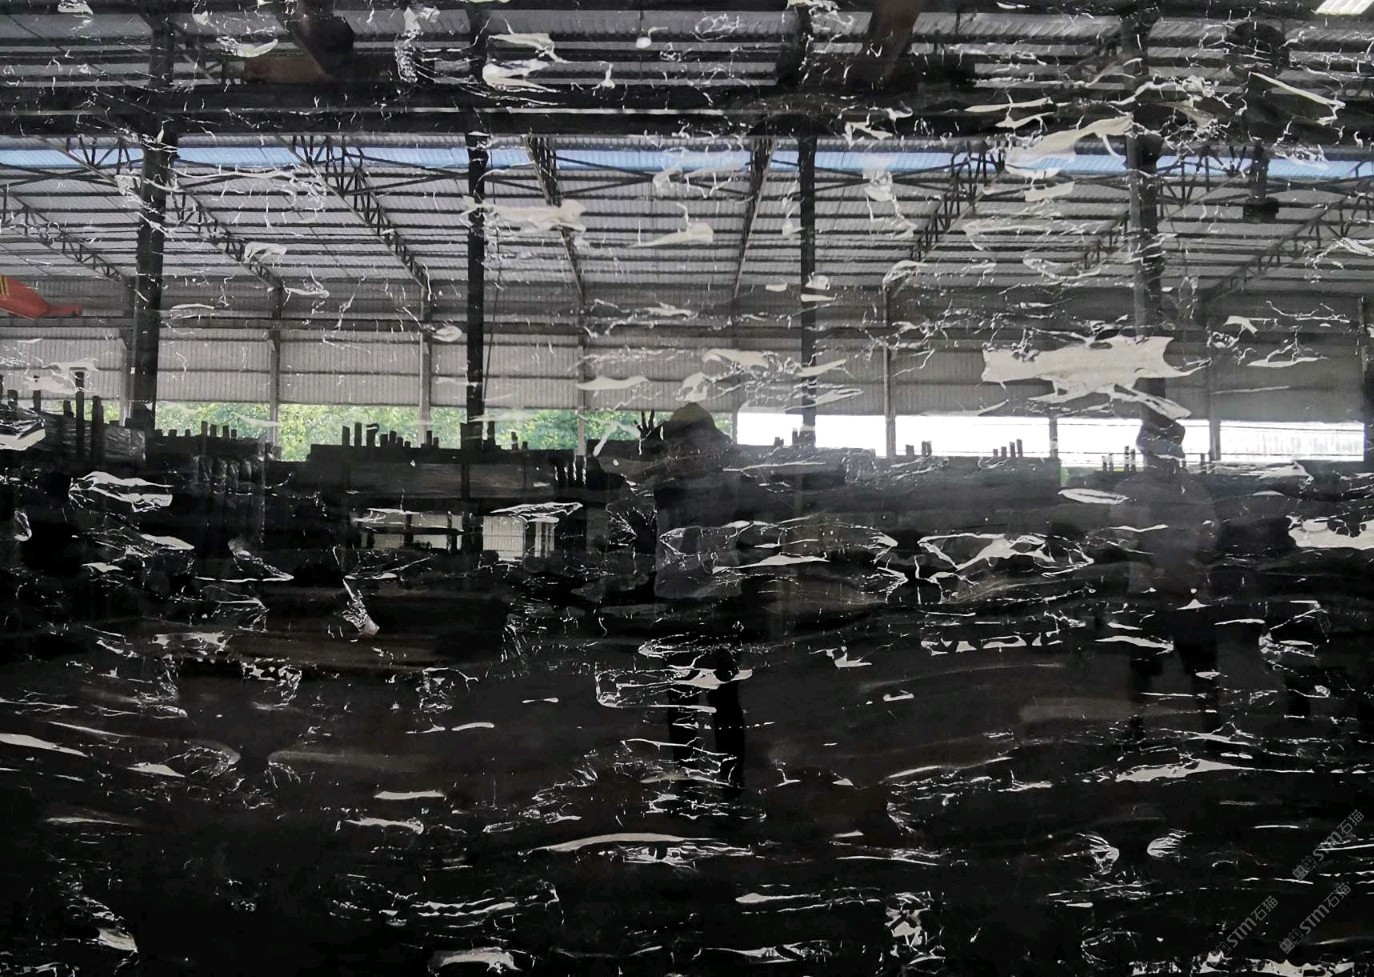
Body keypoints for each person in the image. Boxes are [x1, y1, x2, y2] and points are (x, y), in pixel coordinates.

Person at [1110, 414, 1222, 724]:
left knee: (1202, 667)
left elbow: (1211, 534)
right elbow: (1123, 537)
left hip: (1190, 591)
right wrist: (1151, 569)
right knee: (1142, 666)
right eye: (1153, 453)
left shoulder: (1194, 491)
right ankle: (1135, 730)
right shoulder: (1129, 490)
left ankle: (1212, 730)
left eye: (1167, 452)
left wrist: (1195, 566)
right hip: (1148, 591)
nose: (1159, 460)